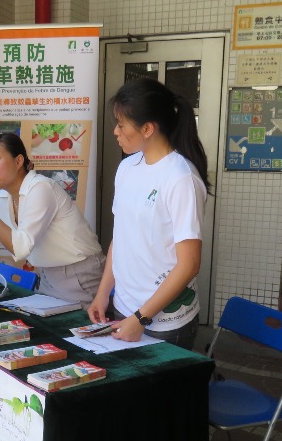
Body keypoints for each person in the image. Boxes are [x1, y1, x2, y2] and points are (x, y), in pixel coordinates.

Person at [88, 78, 209, 350]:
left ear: (147, 128)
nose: (115, 131)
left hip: (165, 322)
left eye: (121, 124)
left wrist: (142, 318)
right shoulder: (128, 167)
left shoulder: (180, 177)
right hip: (124, 309)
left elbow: (189, 264)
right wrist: (103, 294)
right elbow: (121, 238)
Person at [0, 132, 105, 307]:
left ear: (19, 161)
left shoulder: (40, 187)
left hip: (79, 274)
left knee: (74, 331)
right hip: (47, 275)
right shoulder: (2, 196)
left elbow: (21, 247)